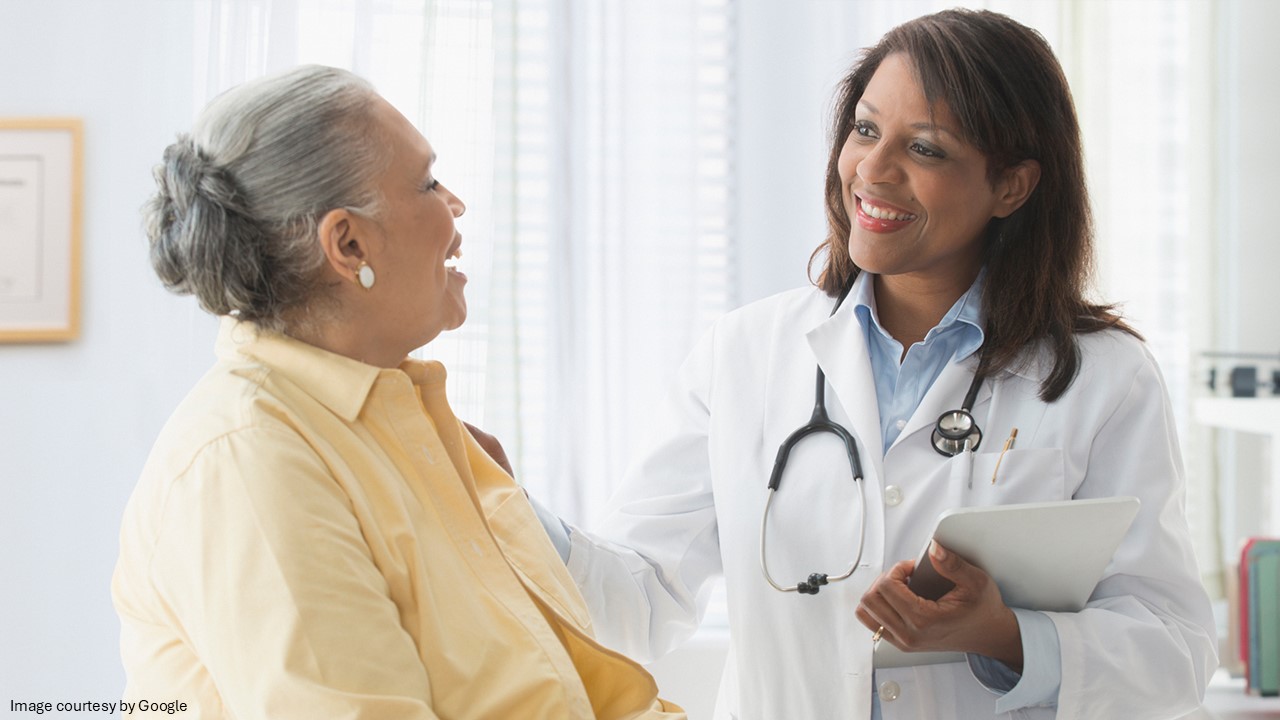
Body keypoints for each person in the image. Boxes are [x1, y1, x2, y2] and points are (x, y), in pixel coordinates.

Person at [533, 9, 1217, 719]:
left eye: (924, 149)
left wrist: (1004, 636)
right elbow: (634, 597)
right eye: (865, 130)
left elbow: (1176, 651)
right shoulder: (745, 353)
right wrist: (490, 499)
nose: (873, 171)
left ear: (1011, 185)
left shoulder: (1104, 378)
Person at [112, 64, 683, 720]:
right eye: (428, 182)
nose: (456, 207)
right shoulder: (248, 461)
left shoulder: (409, 428)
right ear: (349, 245)